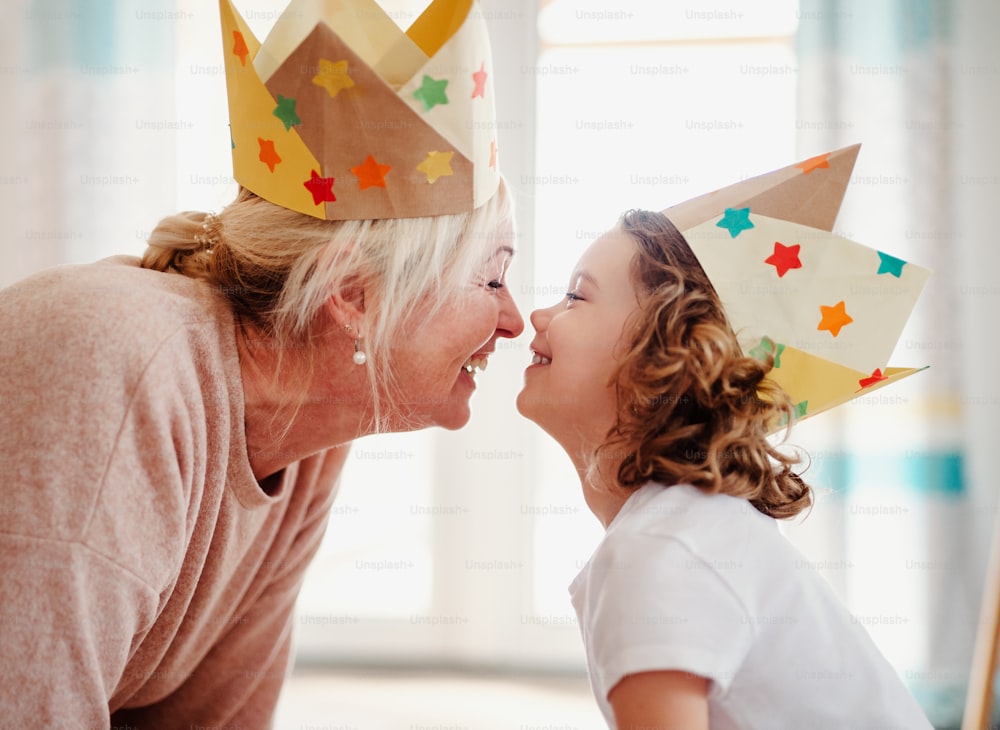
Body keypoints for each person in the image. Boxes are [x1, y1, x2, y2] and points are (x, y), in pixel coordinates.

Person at [0, 0, 521, 726]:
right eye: (492, 278)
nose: (515, 319)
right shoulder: (115, 361)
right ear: (353, 296)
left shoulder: (309, 443)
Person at [516, 155, 933, 728]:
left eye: (576, 297)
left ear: (662, 361)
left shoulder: (661, 550)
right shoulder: (681, 531)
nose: (537, 313)